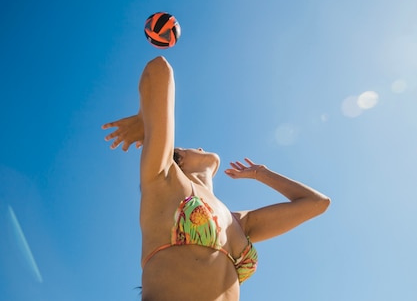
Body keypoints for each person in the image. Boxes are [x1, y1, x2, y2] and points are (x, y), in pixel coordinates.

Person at [102, 56, 330, 301]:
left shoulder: (238, 222)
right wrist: (143, 118)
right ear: (177, 156)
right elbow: (159, 68)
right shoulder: (163, 179)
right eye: (193, 148)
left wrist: (261, 173)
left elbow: (317, 203)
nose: (200, 147)